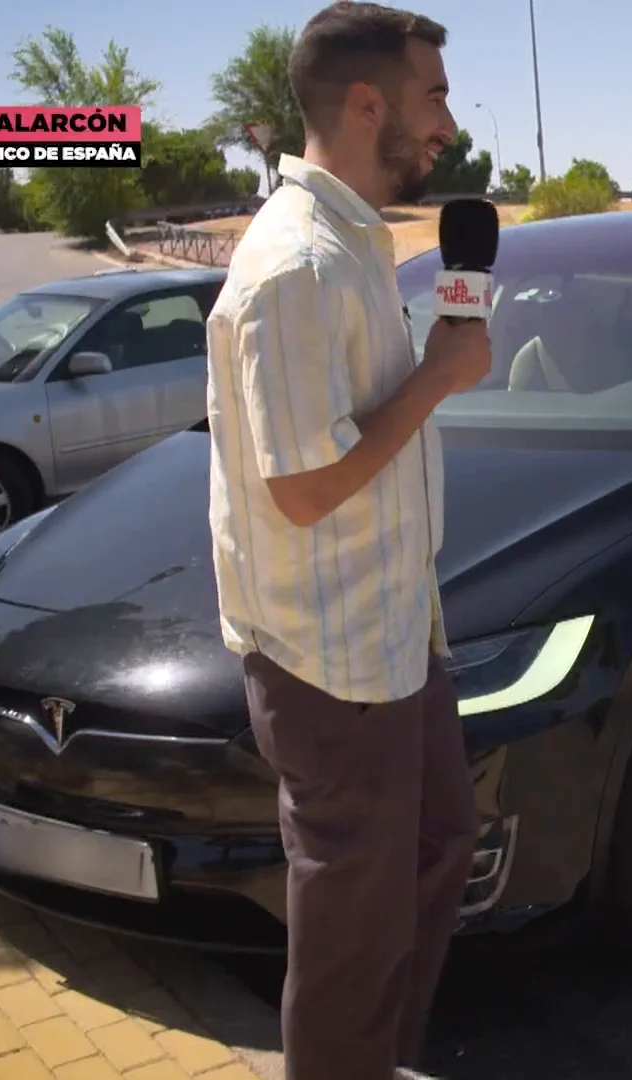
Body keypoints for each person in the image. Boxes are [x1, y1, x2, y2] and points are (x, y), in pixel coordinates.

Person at [202, 5, 489, 1079]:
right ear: (367, 106)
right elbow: (309, 486)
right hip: (330, 663)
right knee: (351, 933)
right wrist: (443, 377)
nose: (448, 129)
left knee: (434, 850)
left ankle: (376, 1062)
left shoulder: (357, 246)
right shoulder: (298, 268)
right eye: (433, 99)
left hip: (394, 635)